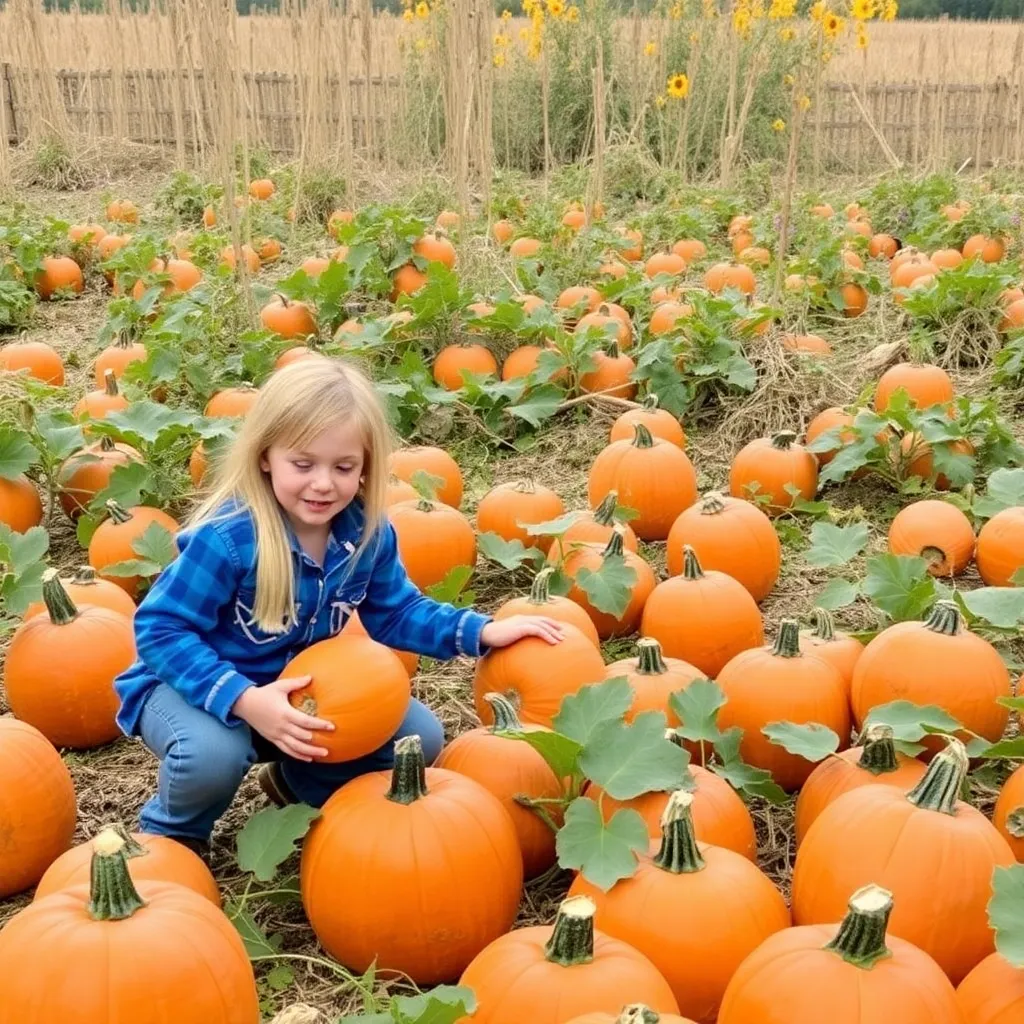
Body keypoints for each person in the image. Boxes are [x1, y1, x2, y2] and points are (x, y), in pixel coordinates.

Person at [115, 356, 564, 857]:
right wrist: (243, 700)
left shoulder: (366, 534)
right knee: (212, 755)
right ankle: (173, 838)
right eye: (303, 464)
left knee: (418, 737)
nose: (324, 483)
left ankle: (297, 786)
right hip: (190, 689)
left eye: (343, 467)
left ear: (366, 466)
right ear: (266, 456)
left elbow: (395, 612)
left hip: (295, 701)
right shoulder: (230, 540)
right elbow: (160, 630)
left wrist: (479, 631)